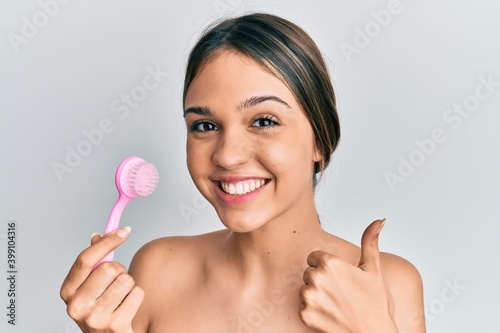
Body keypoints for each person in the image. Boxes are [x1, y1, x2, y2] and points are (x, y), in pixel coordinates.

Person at [60, 13, 425, 333]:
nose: (228, 155)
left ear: (319, 140)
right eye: (204, 125)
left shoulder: (387, 285)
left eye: (264, 121)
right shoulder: (157, 271)